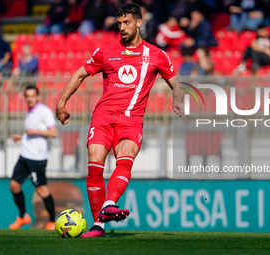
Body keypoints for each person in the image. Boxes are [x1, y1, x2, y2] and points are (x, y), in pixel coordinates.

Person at [56, 3, 184, 238]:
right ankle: (98, 226)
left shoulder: (156, 54)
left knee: (125, 160)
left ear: (138, 22)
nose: (122, 28)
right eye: (119, 24)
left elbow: (176, 82)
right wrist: (61, 103)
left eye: (127, 23)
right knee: (95, 165)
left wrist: (176, 99)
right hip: (103, 117)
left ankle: (108, 206)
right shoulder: (105, 52)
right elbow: (80, 73)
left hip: (132, 120)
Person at [9, 85, 57, 230]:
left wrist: (34, 131)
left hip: (37, 158)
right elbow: (31, 133)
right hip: (25, 155)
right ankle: (23, 216)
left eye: (32, 96)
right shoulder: (30, 112)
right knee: (14, 185)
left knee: (42, 190)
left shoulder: (44, 111)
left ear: (38, 97)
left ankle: (52, 221)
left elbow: (53, 132)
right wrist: (22, 137)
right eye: (27, 96)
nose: (29, 99)